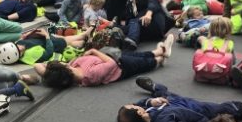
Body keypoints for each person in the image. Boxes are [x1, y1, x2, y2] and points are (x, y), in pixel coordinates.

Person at [37, 41, 172, 88]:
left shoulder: (70, 70)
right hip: (120, 67)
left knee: (136, 55)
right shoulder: (90, 75)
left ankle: (159, 51)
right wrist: (94, 51)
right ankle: (159, 59)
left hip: (110, 57)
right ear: (65, 67)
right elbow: (111, 63)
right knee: (140, 63)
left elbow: (37, 66)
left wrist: (48, 71)